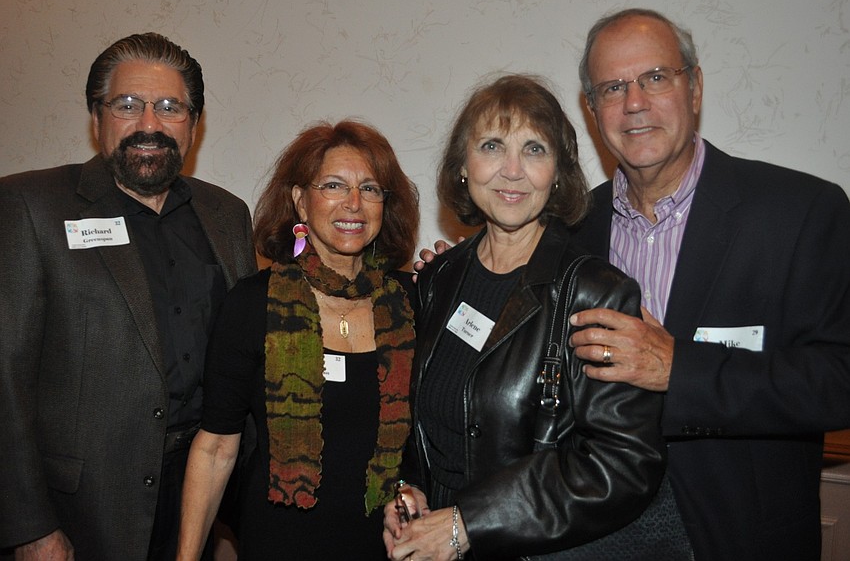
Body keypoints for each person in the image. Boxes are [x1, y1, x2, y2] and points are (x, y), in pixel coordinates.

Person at [566, 8, 850, 560]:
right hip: (592, 536)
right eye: (612, 87)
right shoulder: (571, 229)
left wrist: (680, 369)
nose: (635, 102)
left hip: (736, 537)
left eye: (655, 77)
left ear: (694, 87)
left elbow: (840, 380)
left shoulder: (801, 212)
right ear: (593, 109)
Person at [384, 74, 669, 561]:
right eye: (492, 145)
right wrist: (407, 488)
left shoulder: (595, 292)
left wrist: (467, 524)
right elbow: (420, 416)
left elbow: (622, 466)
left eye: (534, 150)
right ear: (462, 167)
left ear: (557, 173)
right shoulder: (438, 279)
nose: (511, 171)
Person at [0, 33, 257, 560]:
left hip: (200, 494)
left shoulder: (228, 216)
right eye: (127, 105)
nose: (149, 125)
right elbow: (4, 378)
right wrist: (29, 528)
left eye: (169, 107)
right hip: (82, 511)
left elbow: (244, 360)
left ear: (194, 122)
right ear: (97, 117)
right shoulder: (30, 207)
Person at [176, 120, 419, 560]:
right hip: (280, 543)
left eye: (370, 188)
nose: (353, 204)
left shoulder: (412, 305)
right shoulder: (253, 305)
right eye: (333, 185)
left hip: (388, 544)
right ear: (300, 202)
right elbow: (214, 448)